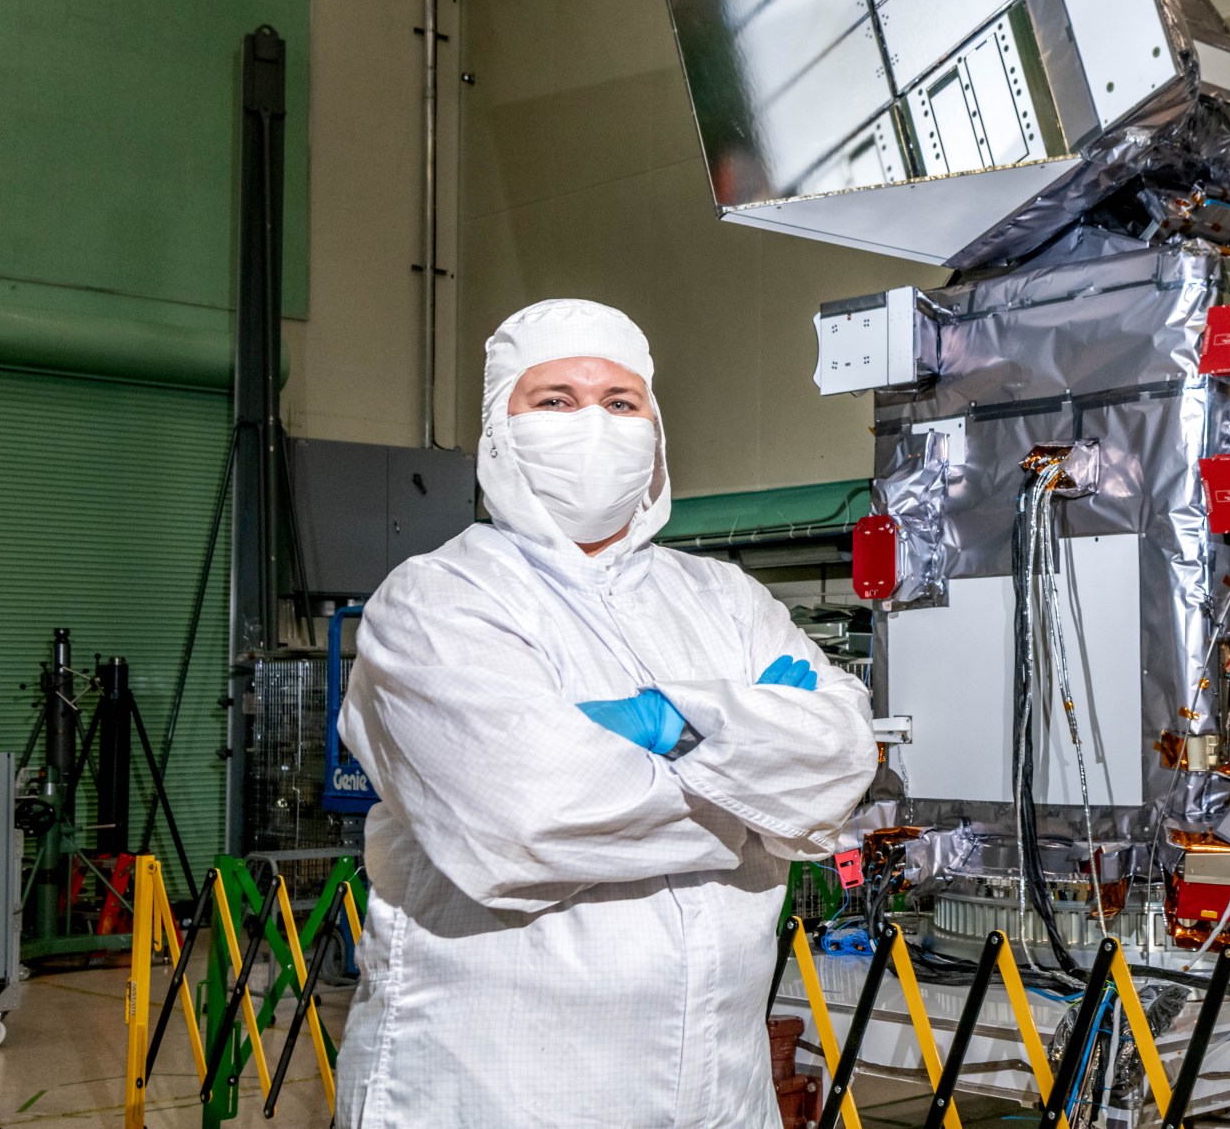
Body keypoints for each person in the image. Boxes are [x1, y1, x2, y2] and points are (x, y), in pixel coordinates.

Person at [334, 299, 876, 1127]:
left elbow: (841, 754)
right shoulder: (435, 602)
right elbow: (525, 818)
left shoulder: (724, 598)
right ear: (499, 427)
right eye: (554, 399)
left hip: (720, 1092)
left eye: (621, 402)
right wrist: (757, 784)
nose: (593, 421)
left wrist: (654, 726)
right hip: (495, 1085)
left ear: (655, 429)